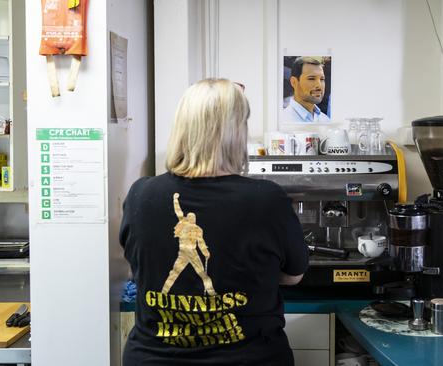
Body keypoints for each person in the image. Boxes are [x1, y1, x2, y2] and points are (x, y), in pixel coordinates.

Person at [120, 78, 308, 366]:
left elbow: (138, 269)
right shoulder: (266, 199)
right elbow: (293, 276)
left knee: (183, 278)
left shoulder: (141, 194)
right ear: (236, 133)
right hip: (250, 359)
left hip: (154, 359)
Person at [281, 56, 330, 123]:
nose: (319, 85)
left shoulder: (325, 119)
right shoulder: (284, 120)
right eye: (311, 78)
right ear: (294, 82)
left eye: (322, 79)